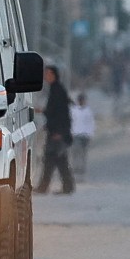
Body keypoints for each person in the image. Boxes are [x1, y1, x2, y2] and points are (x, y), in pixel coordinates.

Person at [35, 64, 75, 195]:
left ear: (53, 75)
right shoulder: (54, 89)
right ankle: (51, 186)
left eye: (47, 74)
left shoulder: (58, 90)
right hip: (55, 131)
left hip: (58, 133)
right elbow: (54, 111)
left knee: (55, 160)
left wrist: (59, 132)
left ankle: (54, 187)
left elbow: (61, 113)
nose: (45, 76)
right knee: (54, 160)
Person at [69, 92, 95, 177]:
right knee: (76, 152)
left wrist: (91, 133)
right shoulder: (74, 110)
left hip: (85, 135)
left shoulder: (88, 111)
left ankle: (82, 169)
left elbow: (91, 123)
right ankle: (75, 167)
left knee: (83, 152)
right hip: (76, 134)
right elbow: (71, 122)